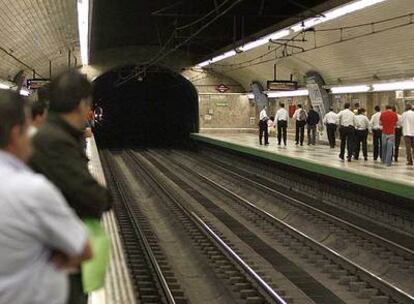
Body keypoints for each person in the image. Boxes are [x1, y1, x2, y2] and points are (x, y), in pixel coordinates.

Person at [0, 90, 91, 304]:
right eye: (27, 129)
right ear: (16, 134)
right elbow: (83, 249)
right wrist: (49, 257)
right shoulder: (32, 190)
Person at [30, 70, 112, 304]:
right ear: (82, 104)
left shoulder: (55, 135)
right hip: (57, 257)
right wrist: (103, 196)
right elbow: (93, 197)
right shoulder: (54, 141)